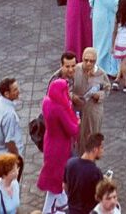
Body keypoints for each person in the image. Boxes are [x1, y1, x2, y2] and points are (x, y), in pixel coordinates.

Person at [37, 75, 80, 214]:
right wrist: (77, 122)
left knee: (53, 180)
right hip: (60, 146)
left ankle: (53, 207)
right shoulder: (59, 108)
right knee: (57, 180)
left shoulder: (47, 102)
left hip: (50, 142)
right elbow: (71, 129)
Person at [0, 76, 24, 161]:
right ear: (6, 94)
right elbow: (10, 141)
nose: (18, 91)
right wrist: (17, 160)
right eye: (15, 90)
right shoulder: (10, 115)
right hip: (7, 157)